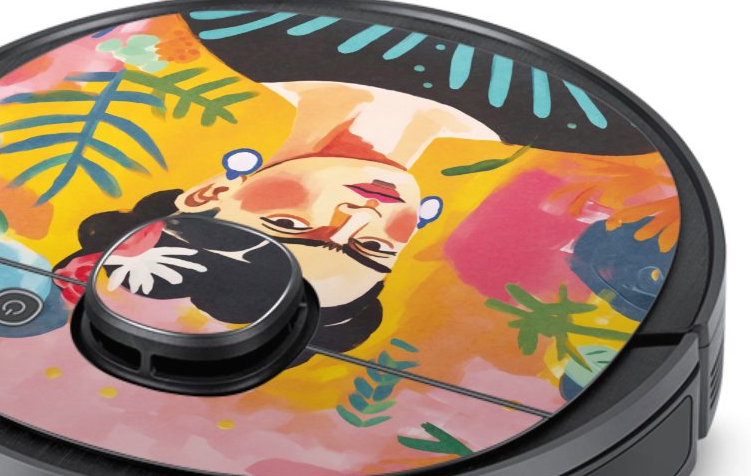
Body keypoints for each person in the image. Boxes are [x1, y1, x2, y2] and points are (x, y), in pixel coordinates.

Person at [55, 81, 498, 355]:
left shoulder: (232, 38)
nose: (361, 216)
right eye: (371, 247)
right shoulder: (515, 124)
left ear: (210, 193)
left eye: (288, 225)